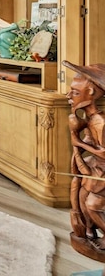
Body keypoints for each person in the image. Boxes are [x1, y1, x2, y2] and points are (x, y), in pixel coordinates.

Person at [63, 60, 105, 261]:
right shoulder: (90, 119)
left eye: (75, 92)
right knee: (80, 198)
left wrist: (79, 142)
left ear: (91, 93)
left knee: (92, 205)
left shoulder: (100, 122)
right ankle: (88, 232)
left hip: (102, 171)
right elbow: (90, 141)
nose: (69, 96)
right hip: (94, 167)